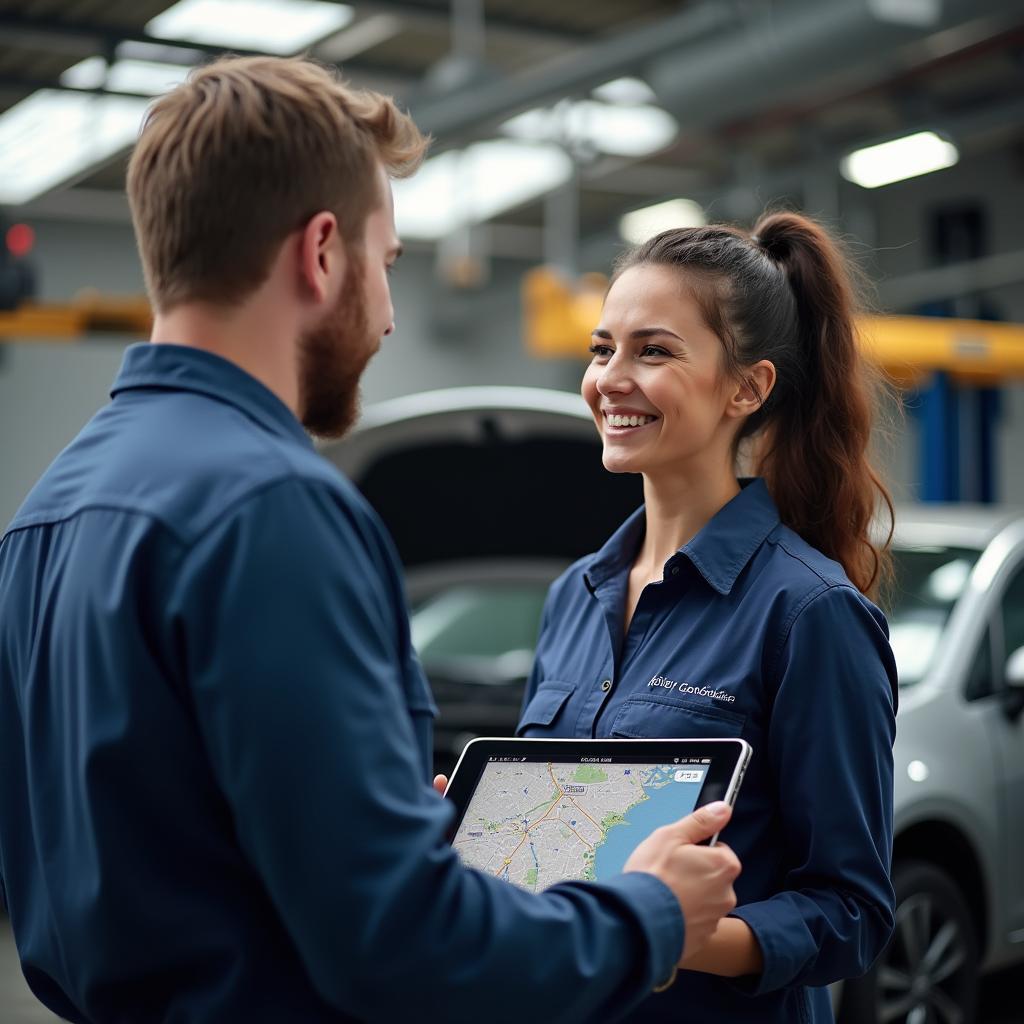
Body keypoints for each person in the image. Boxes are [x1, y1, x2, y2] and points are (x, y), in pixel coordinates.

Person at [0, 56, 742, 1024]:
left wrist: (387, 814)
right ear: (321, 252)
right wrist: (646, 912)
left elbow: (166, 840)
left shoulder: (47, 510)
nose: (390, 316)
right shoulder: (270, 507)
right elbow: (403, 948)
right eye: (386, 264)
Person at [516, 214, 899, 1022]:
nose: (611, 378)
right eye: (601, 348)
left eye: (652, 351)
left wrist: (679, 933)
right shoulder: (574, 597)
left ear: (747, 388)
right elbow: (562, 858)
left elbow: (851, 912)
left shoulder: (810, 613)